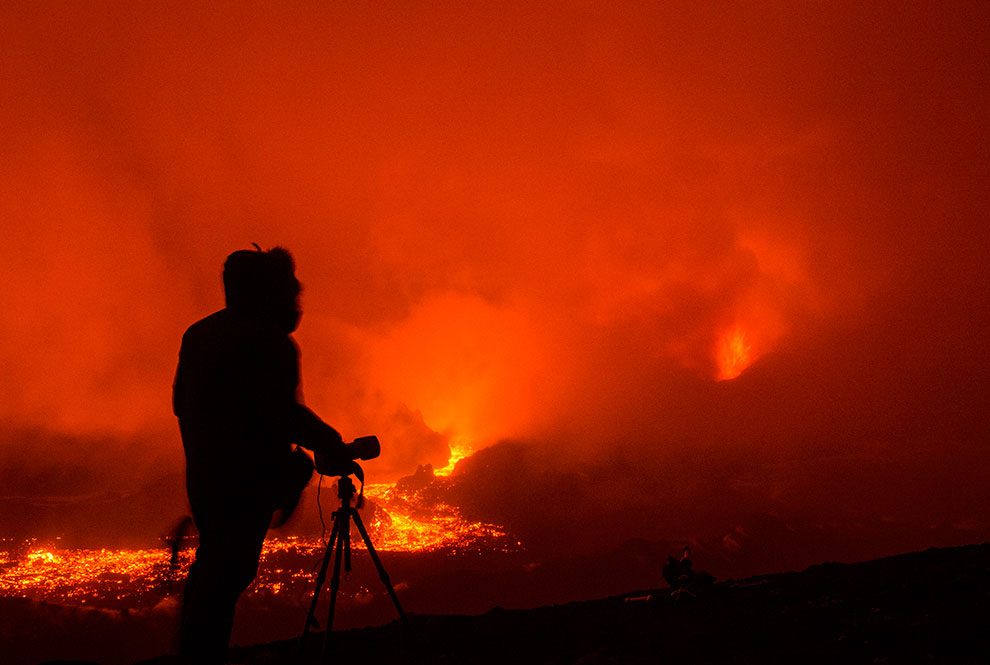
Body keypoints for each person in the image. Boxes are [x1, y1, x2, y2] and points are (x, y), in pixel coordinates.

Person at [173, 245, 346, 664]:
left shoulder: (198, 336)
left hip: (206, 479)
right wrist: (329, 446)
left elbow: (185, 406)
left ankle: (195, 653)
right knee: (230, 570)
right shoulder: (271, 345)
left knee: (215, 569)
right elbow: (283, 413)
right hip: (244, 485)